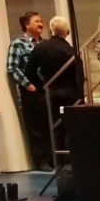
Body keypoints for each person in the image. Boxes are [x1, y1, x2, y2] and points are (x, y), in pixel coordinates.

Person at [25, 16, 81, 164]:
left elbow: (29, 71)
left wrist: (42, 86)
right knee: (72, 126)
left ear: (51, 30)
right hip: (71, 93)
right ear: (67, 32)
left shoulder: (40, 48)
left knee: (55, 128)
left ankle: (58, 161)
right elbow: (79, 74)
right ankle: (73, 160)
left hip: (52, 92)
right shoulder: (71, 50)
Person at [7, 11, 51, 171]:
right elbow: (12, 67)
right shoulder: (18, 44)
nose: (41, 24)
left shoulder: (45, 44)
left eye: (41, 21)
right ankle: (41, 161)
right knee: (36, 127)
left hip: (47, 88)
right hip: (31, 90)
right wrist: (28, 85)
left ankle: (53, 158)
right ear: (26, 25)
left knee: (49, 124)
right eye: (36, 21)